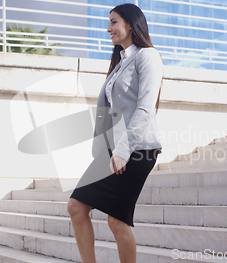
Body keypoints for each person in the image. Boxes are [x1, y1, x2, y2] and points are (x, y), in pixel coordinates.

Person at [66, 3, 163, 263]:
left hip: (138, 149)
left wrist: (122, 150)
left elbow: (145, 108)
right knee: (76, 207)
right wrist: (103, 149)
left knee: (117, 221)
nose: (108, 28)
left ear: (130, 24)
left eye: (113, 22)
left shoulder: (148, 56)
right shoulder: (121, 61)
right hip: (113, 149)